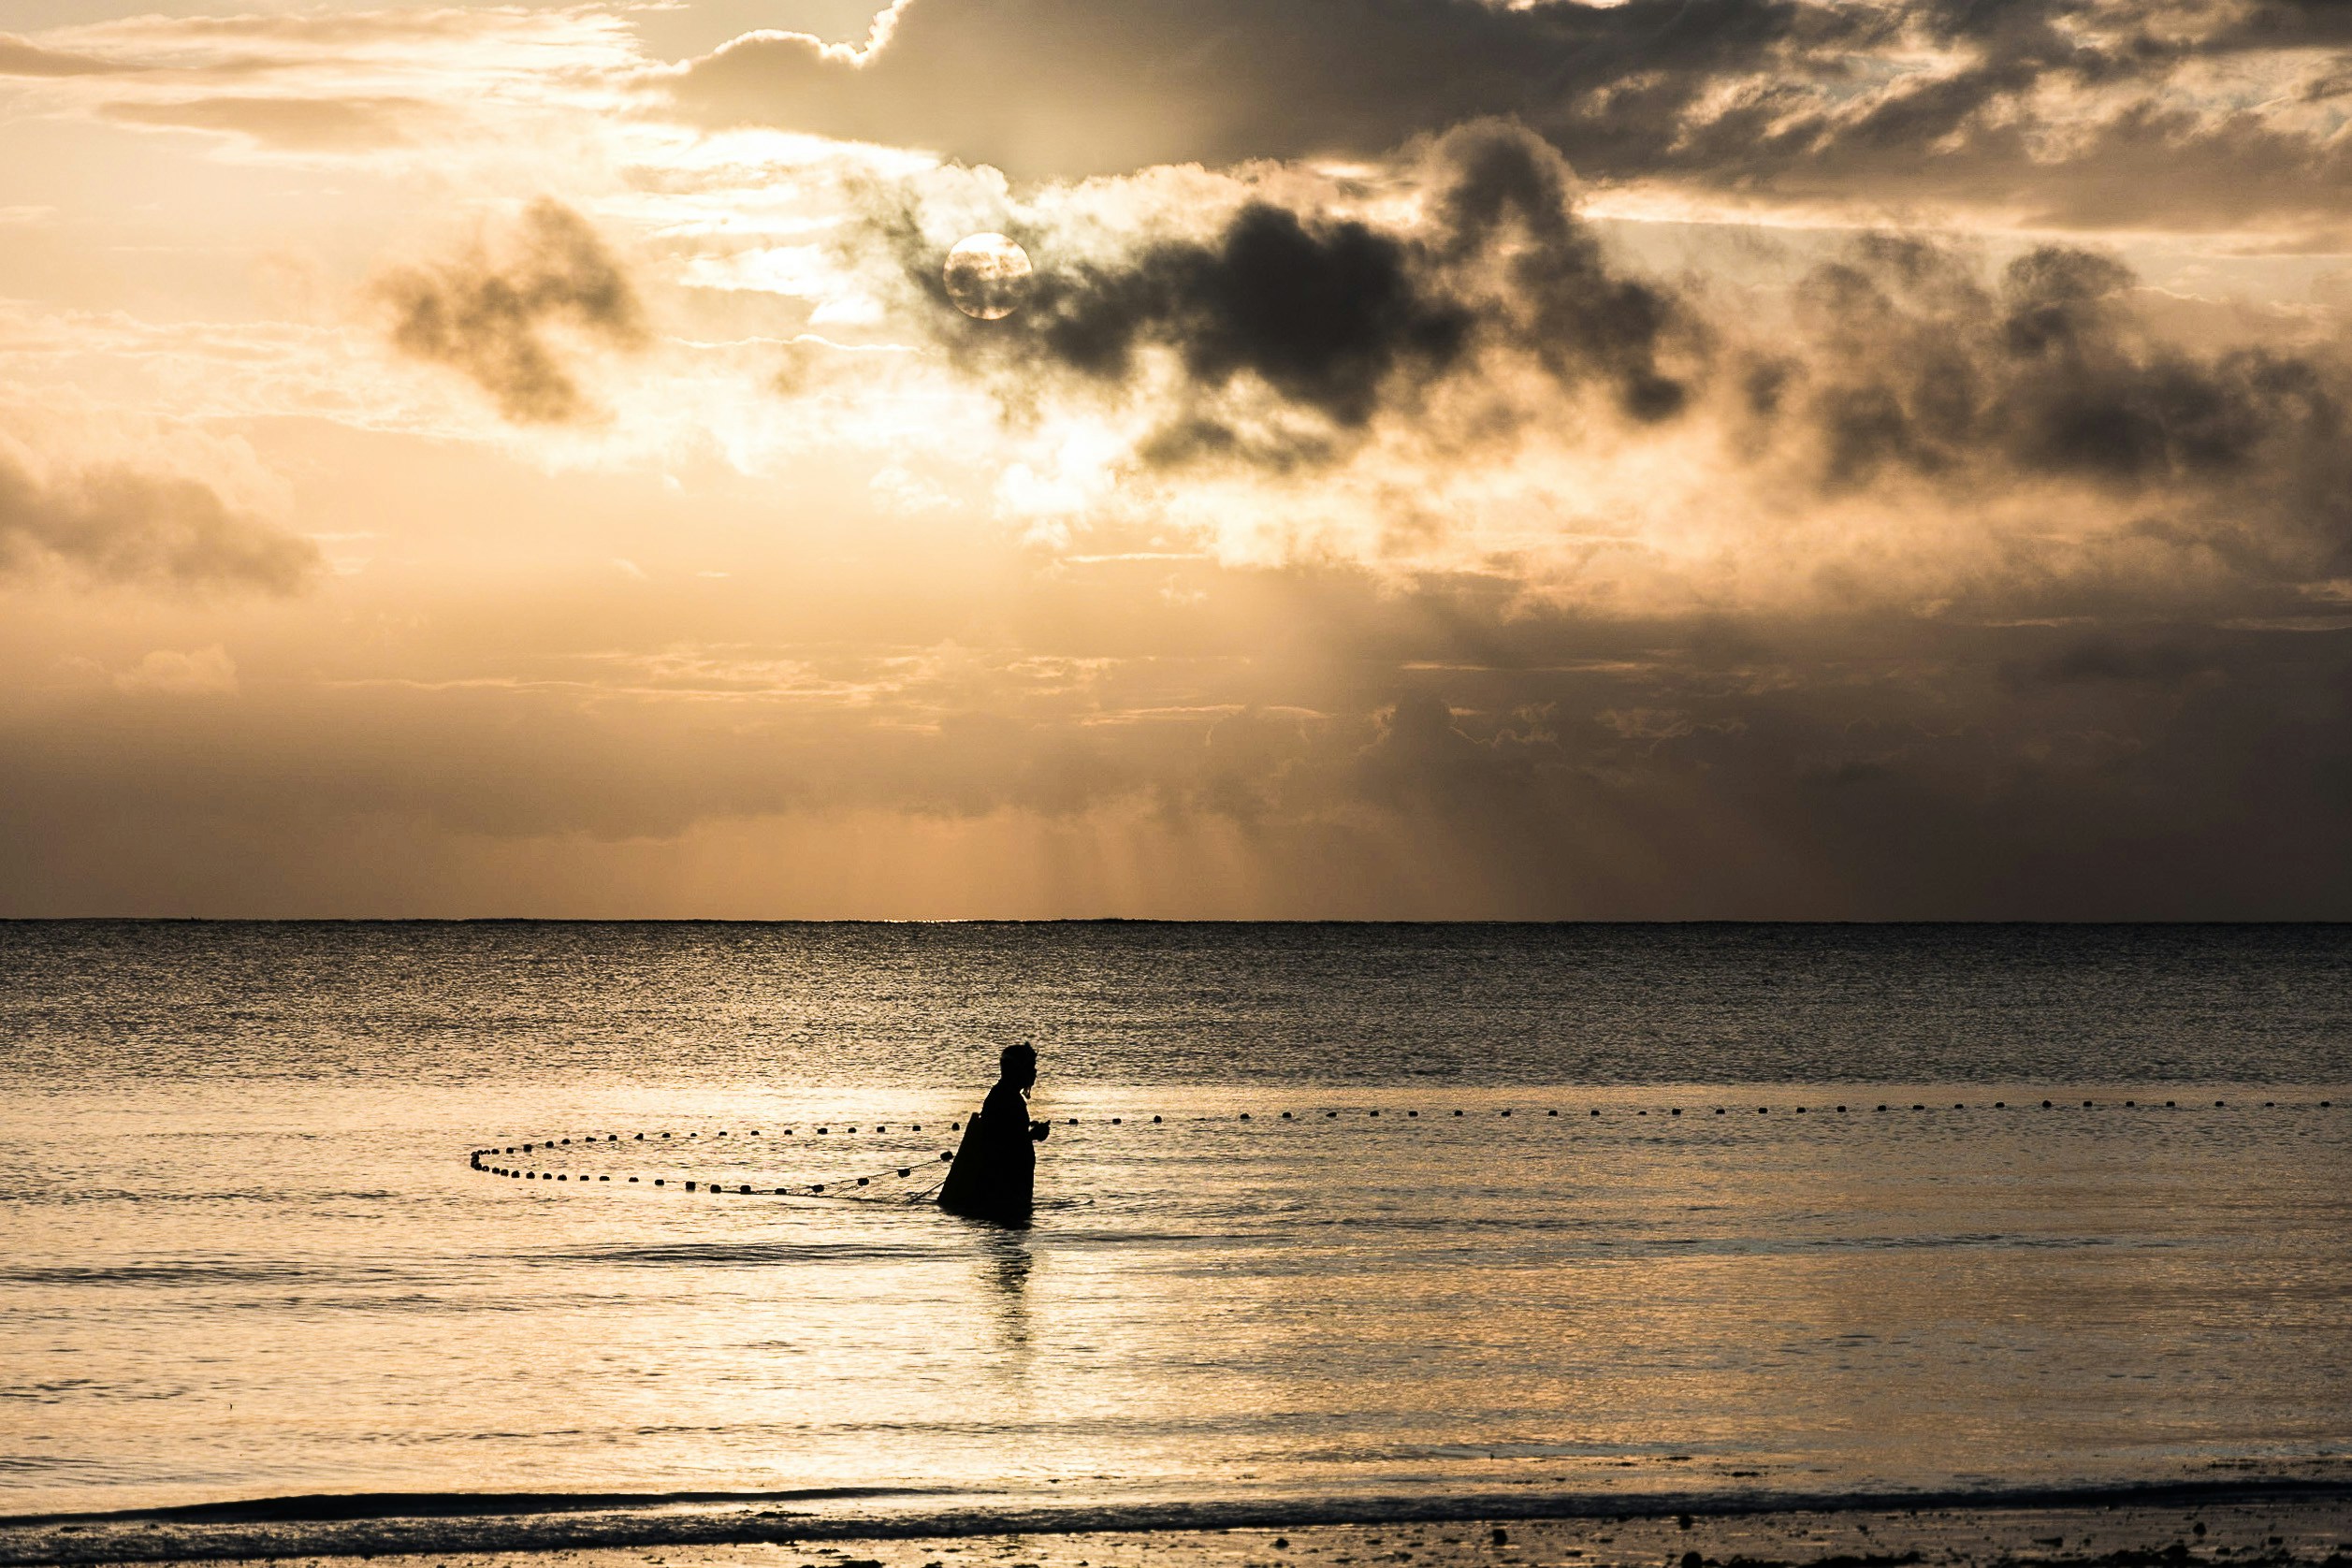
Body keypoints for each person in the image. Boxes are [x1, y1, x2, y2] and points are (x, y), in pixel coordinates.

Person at [937, 1042, 1049, 1224]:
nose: (1035, 1072)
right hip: (1003, 1191)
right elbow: (1002, 1144)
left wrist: (1030, 1135)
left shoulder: (1005, 1095)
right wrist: (1033, 1135)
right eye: (1031, 1067)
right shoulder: (1006, 1098)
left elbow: (1005, 1137)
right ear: (1018, 1070)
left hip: (1007, 1189)